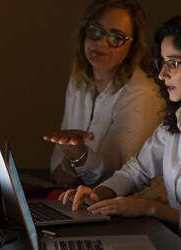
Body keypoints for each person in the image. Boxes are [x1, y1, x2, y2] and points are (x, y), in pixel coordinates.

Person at [60, 14, 181, 243]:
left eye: (173, 63)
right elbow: (137, 171)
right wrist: (97, 194)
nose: (163, 75)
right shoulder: (176, 120)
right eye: (162, 63)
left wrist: (151, 209)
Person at [43, 0, 164, 189]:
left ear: (132, 48)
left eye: (116, 37)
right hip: (78, 197)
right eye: (95, 31)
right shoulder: (79, 79)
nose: (101, 42)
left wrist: (78, 156)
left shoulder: (142, 93)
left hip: (121, 207)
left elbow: (111, 175)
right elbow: (58, 150)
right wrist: (62, 170)